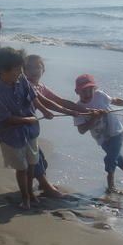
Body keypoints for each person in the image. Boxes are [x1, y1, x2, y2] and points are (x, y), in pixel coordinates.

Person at [0, 47, 54, 209]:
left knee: (32, 164)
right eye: (16, 69)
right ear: (3, 70)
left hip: (30, 131)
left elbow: (33, 97)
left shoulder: (21, 79)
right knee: (22, 168)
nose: (20, 72)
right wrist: (28, 119)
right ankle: (25, 198)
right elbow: (5, 119)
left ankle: (30, 193)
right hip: (10, 136)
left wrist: (45, 111)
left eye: (20, 68)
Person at [24, 54, 89, 197]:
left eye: (38, 67)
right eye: (29, 67)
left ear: (44, 70)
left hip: (31, 128)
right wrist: (71, 112)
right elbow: (48, 104)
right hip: (21, 127)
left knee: (39, 157)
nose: (34, 70)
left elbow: (60, 101)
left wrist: (85, 110)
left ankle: (42, 182)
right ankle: (45, 186)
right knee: (35, 158)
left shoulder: (41, 87)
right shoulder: (26, 85)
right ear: (23, 71)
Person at [73, 74, 123, 192]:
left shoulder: (100, 95)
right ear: (77, 91)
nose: (87, 93)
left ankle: (111, 185)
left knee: (110, 159)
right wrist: (94, 118)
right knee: (116, 157)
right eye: (83, 91)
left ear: (94, 89)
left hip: (116, 132)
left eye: (90, 90)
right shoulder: (78, 108)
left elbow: (116, 101)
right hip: (102, 138)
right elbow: (81, 130)